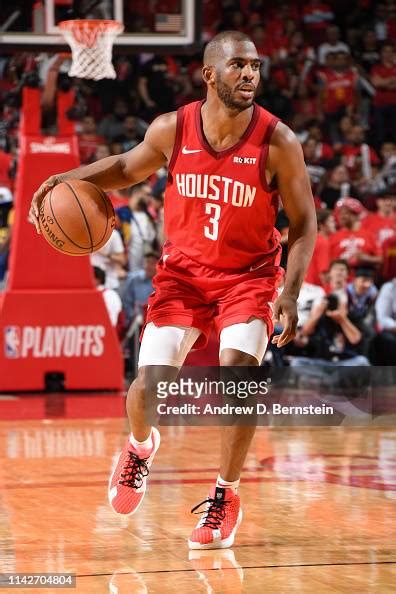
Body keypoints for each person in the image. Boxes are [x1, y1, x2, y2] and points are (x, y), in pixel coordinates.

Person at [29, 31, 316, 550]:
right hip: (182, 276)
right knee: (146, 389)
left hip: (247, 278)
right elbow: (122, 168)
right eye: (237, 66)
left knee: (238, 377)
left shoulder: (278, 142)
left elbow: (304, 222)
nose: (249, 75)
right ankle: (141, 447)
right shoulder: (173, 128)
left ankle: (224, 496)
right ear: (210, 74)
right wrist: (65, 179)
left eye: (254, 66)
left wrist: (291, 293)